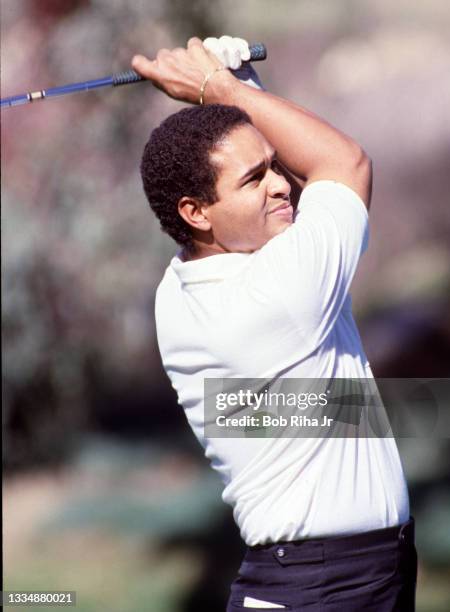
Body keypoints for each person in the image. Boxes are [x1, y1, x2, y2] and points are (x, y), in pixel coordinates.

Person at [132, 36, 417, 611]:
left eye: (271, 167)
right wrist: (220, 89)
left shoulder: (184, 287)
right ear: (194, 211)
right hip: (320, 586)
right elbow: (343, 164)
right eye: (253, 179)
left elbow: (307, 178)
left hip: (346, 574)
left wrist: (242, 95)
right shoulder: (280, 294)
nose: (281, 184)